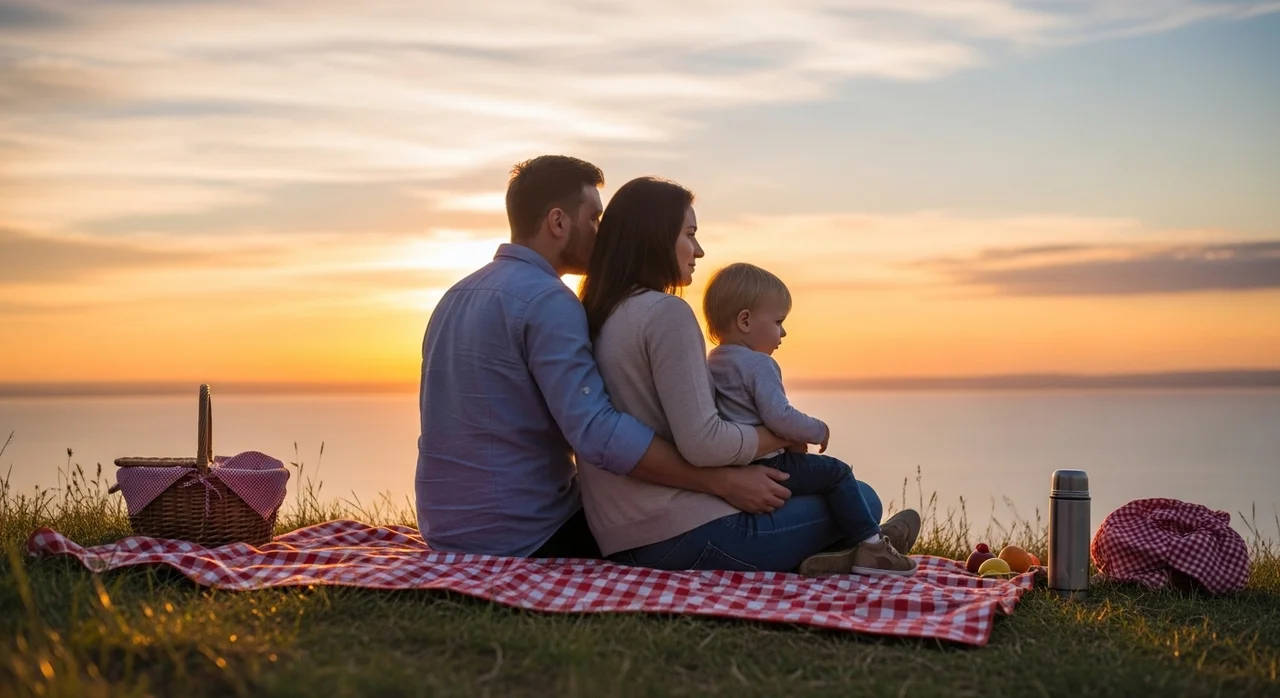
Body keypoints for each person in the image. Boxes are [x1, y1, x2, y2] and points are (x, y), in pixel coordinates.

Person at [416, 155, 797, 558]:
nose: (602, 233)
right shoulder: (548, 301)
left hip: (443, 528)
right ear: (558, 222)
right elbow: (599, 432)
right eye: (594, 219)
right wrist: (722, 482)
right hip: (523, 532)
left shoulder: (455, 295)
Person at [576, 176, 920, 574]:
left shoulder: (600, 313)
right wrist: (780, 435)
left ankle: (848, 550)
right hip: (684, 536)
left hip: (621, 539)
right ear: (655, 237)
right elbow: (703, 443)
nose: (699, 251)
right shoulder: (665, 313)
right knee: (864, 497)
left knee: (837, 497)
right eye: (690, 234)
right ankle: (866, 544)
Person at [703, 262, 917, 575]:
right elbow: (779, 416)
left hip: (738, 466)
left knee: (822, 484)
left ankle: (842, 549)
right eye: (778, 322)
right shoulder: (759, 364)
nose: (783, 332)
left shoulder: (713, 362)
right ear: (745, 320)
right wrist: (818, 430)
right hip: (770, 464)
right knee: (837, 474)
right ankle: (873, 548)